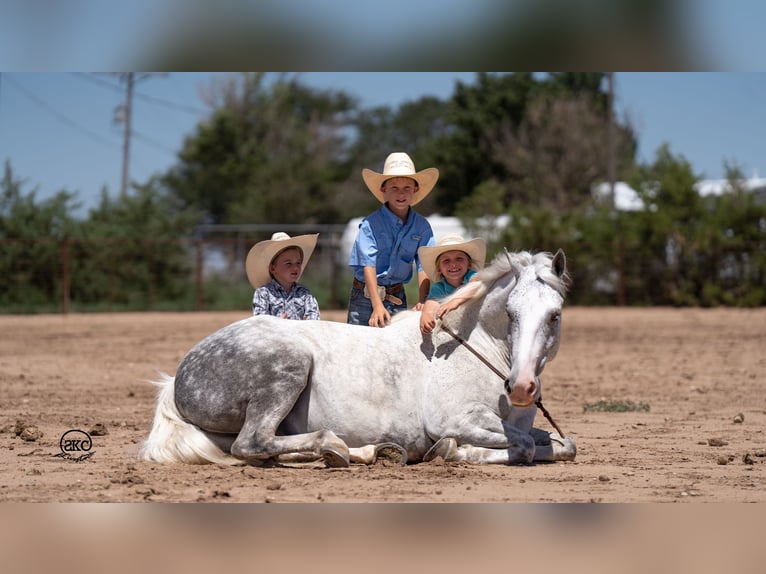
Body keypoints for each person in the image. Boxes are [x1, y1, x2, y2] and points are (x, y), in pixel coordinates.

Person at [347, 152, 439, 327]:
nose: (401, 193)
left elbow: (424, 265)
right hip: (365, 296)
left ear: (415, 189)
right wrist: (377, 305)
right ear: (384, 189)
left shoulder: (422, 226)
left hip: (397, 295)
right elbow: (369, 265)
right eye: (394, 188)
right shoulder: (370, 225)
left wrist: (423, 300)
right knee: (358, 347)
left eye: (407, 188)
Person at [417, 234, 486, 334]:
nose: (453, 264)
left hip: (479, 324)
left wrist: (456, 300)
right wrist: (426, 315)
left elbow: (476, 285)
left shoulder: (472, 276)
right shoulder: (439, 287)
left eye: (459, 259)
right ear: (439, 269)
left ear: (469, 264)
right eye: (446, 260)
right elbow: (432, 302)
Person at [246, 232, 321, 320]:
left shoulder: (305, 293)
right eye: (288, 263)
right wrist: (277, 323)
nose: (295, 267)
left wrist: (308, 324)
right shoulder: (263, 293)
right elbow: (260, 322)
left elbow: (314, 317)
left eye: (298, 263)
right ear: (273, 268)